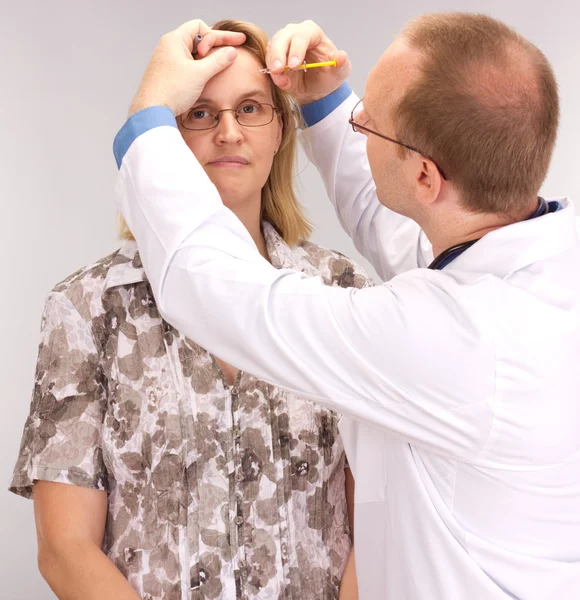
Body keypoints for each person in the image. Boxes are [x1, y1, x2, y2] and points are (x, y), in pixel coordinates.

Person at [114, 12, 580, 600]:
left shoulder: (460, 340)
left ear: (426, 175)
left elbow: (213, 286)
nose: (356, 118)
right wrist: (327, 100)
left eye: (369, 122)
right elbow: (410, 220)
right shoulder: (539, 263)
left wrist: (149, 117)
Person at [10, 19, 369, 600]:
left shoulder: (344, 293)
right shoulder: (86, 309)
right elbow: (64, 550)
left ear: (280, 132)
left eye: (251, 108)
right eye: (200, 113)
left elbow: (375, 527)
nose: (228, 132)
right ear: (165, 138)